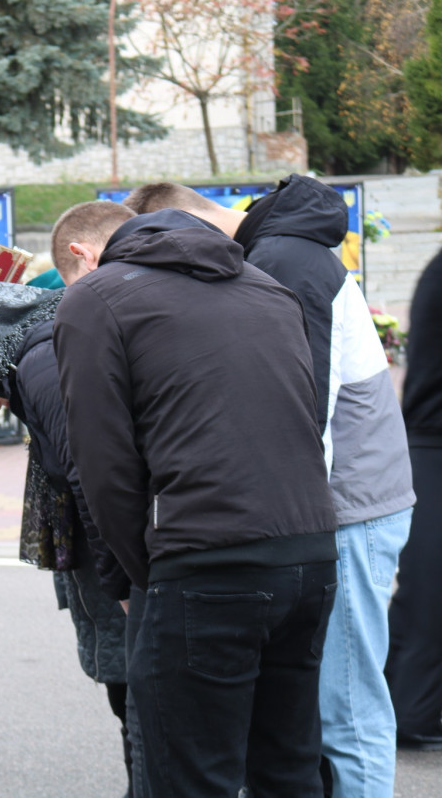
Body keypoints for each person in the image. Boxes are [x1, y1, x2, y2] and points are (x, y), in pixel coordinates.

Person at [126, 179, 416, 792]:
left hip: (349, 504)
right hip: (338, 502)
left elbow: (302, 404)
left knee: (346, 709)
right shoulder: (284, 248)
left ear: (181, 226)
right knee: (326, 708)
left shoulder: (282, 258)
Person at [52, 201, 339, 796]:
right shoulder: (267, 289)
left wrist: (150, 570)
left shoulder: (95, 299)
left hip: (203, 560)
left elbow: (102, 466)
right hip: (308, 553)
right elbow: (306, 418)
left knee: (190, 778)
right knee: (289, 769)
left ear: (90, 252)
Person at [0, 279, 135, 796]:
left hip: (123, 568)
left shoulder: (42, 366)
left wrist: (122, 587)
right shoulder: (48, 349)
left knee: (142, 708)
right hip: (122, 564)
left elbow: (91, 482)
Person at [386, 248, 442, 750]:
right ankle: (411, 711)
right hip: (433, 441)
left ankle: (404, 704)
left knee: (426, 589)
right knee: (430, 590)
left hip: (428, 443)